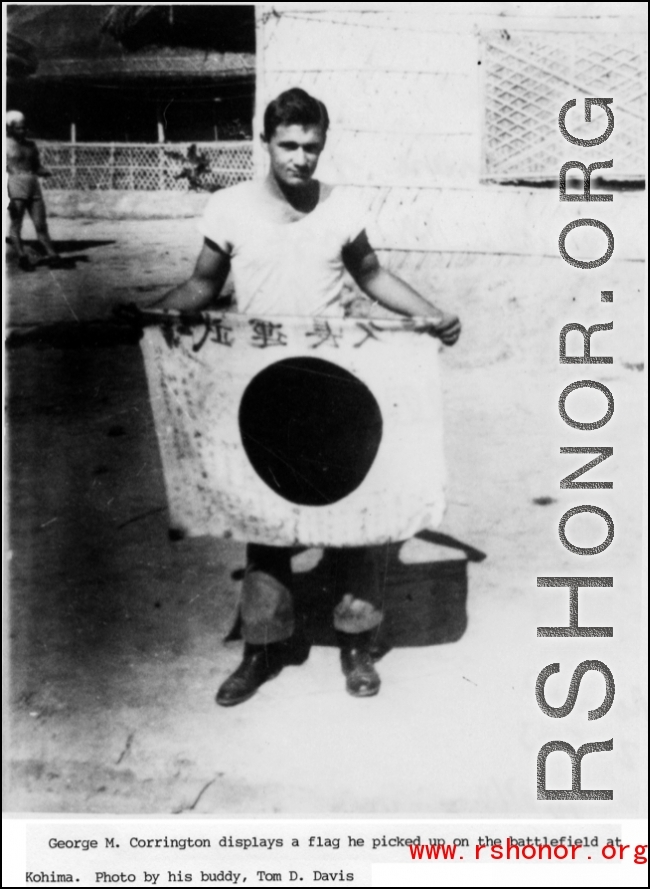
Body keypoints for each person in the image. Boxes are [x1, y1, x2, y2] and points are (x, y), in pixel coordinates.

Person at [154, 88, 461, 705]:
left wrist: (432, 313)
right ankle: (263, 647)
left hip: (336, 385)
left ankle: (357, 640)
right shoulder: (228, 208)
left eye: (312, 147)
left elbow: (371, 274)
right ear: (264, 141)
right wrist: (152, 314)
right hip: (262, 389)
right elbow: (202, 284)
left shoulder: (340, 208)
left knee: (361, 514)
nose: (300, 158)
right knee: (264, 516)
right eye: (289, 146)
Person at [6, 110, 62, 271]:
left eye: (24, 128)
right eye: (18, 128)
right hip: (15, 187)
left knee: (41, 224)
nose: (22, 131)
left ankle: (52, 255)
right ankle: (22, 257)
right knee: (16, 225)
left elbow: (37, 167)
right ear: (9, 128)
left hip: (33, 186)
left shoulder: (31, 145)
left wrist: (47, 172)